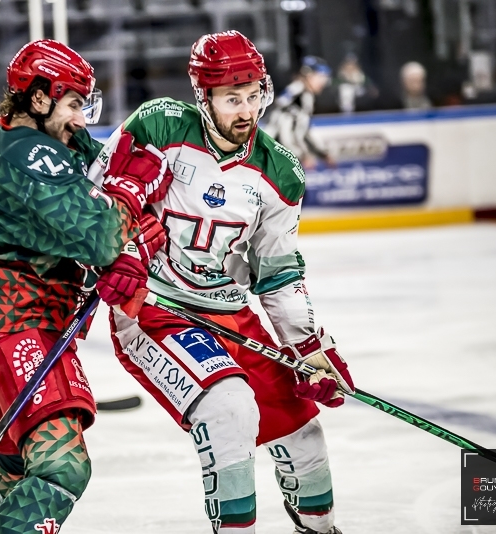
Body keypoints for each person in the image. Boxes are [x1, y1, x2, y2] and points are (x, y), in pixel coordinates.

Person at [90, 31, 352, 534]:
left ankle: (320, 530)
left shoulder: (279, 172)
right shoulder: (159, 126)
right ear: (203, 96)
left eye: (254, 95)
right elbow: (96, 200)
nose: (247, 110)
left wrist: (308, 347)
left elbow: (277, 269)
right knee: (229, 410)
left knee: (303, 431)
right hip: (153, 307)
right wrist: (118, 243)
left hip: (227, 309)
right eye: (233, 98)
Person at [0, 39, 170, 533]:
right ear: (40, 98)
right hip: (15, 320)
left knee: (11, 474)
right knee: (60, 467)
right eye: (74, 104)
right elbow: (99, 232)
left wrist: (127, 229)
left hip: (9, 321)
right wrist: (131, 205)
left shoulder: (43, 141)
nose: (81, 120)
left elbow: (105, 171)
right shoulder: (29, 153)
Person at [263, 55, 334, 170]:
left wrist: (323, 153)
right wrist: (300, 155)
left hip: (281, 155)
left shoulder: (306, 95)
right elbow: (283, 128)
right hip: (274, 156)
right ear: (308, 75)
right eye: (320, 77)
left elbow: (303, 128)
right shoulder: (296, 92)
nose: (323, 82)